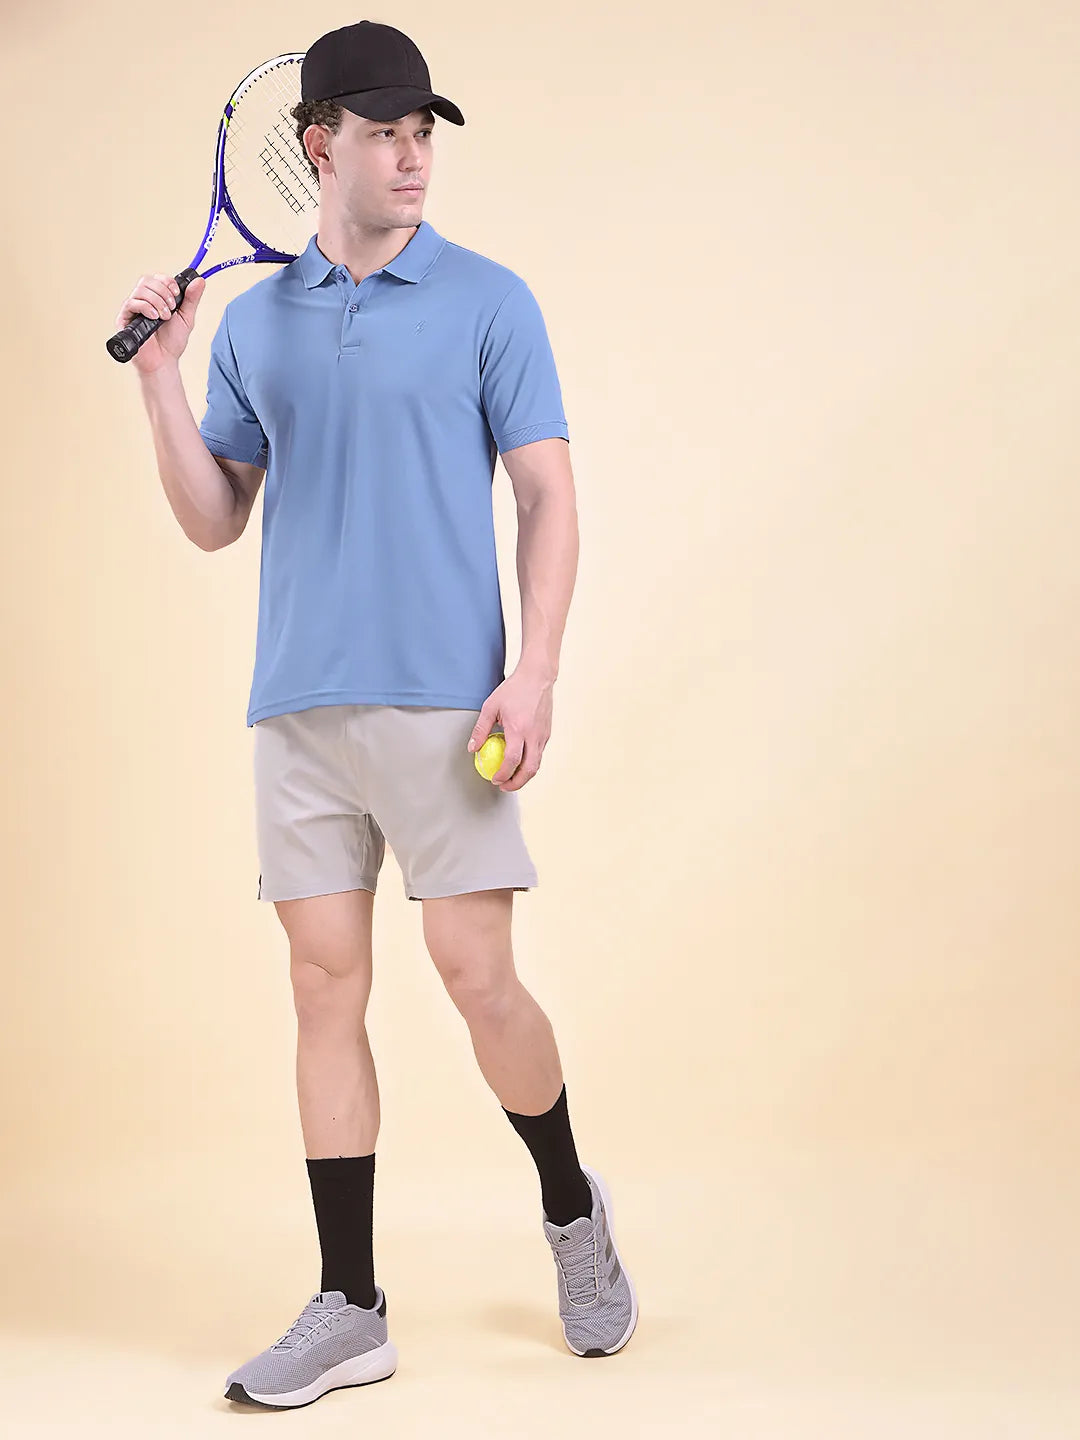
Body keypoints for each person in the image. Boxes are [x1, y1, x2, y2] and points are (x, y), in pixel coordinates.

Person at [115, 20, 637, 1410]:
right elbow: (216, 518)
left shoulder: (489, 301)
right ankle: (349, 1305)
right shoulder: (256, 324)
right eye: (384, 133)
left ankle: (571, 1206)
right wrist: (162, 379)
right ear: (319, 145)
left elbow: (548, 495)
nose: (412, 157)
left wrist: (536, 671)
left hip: (448, 705)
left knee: (478, 977)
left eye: (423, 134)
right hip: (298, 707)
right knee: (322, 987)